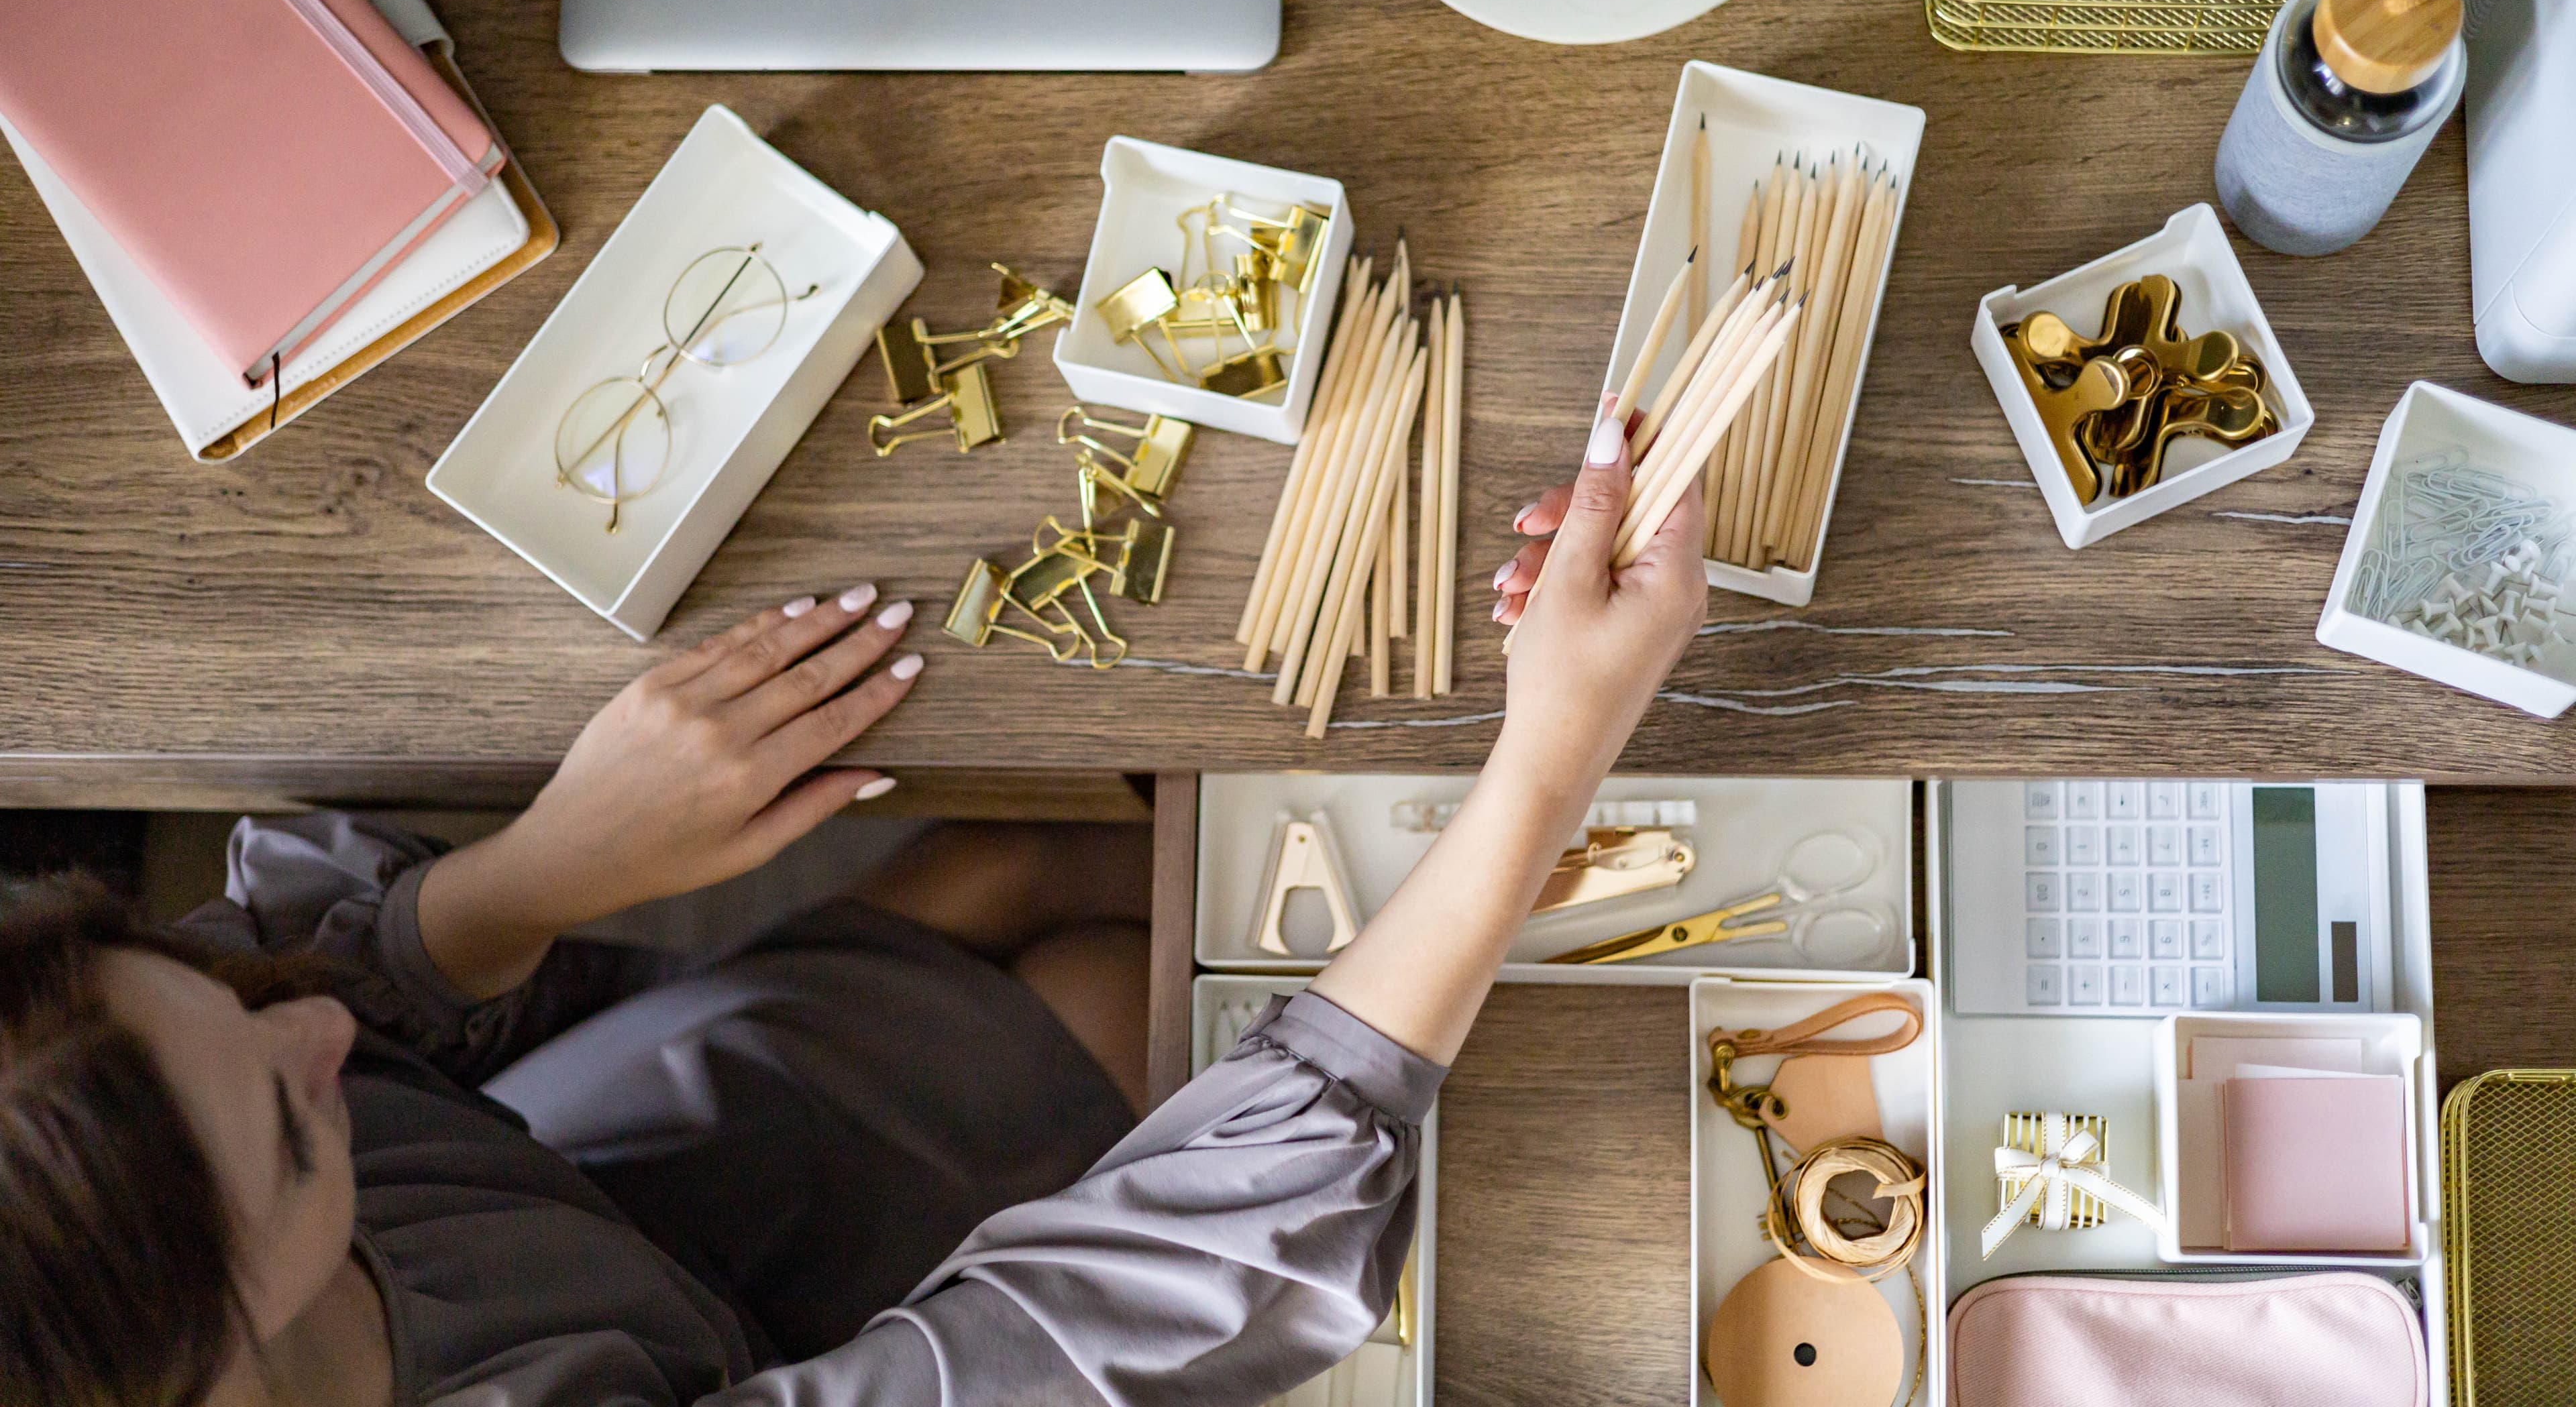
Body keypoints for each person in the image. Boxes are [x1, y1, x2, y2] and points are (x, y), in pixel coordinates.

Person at [0, 401, 1701, 1407]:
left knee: (996, 875)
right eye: (294, 1127)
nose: (313, 1026)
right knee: (1121, 996)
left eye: (206, 990)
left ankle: (1401, 895)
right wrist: (1546, 765)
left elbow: (317, 982)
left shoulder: (113, 1101)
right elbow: (1162, 1294)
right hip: (755, 1349)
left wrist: (541, 868)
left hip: (587, 1189)